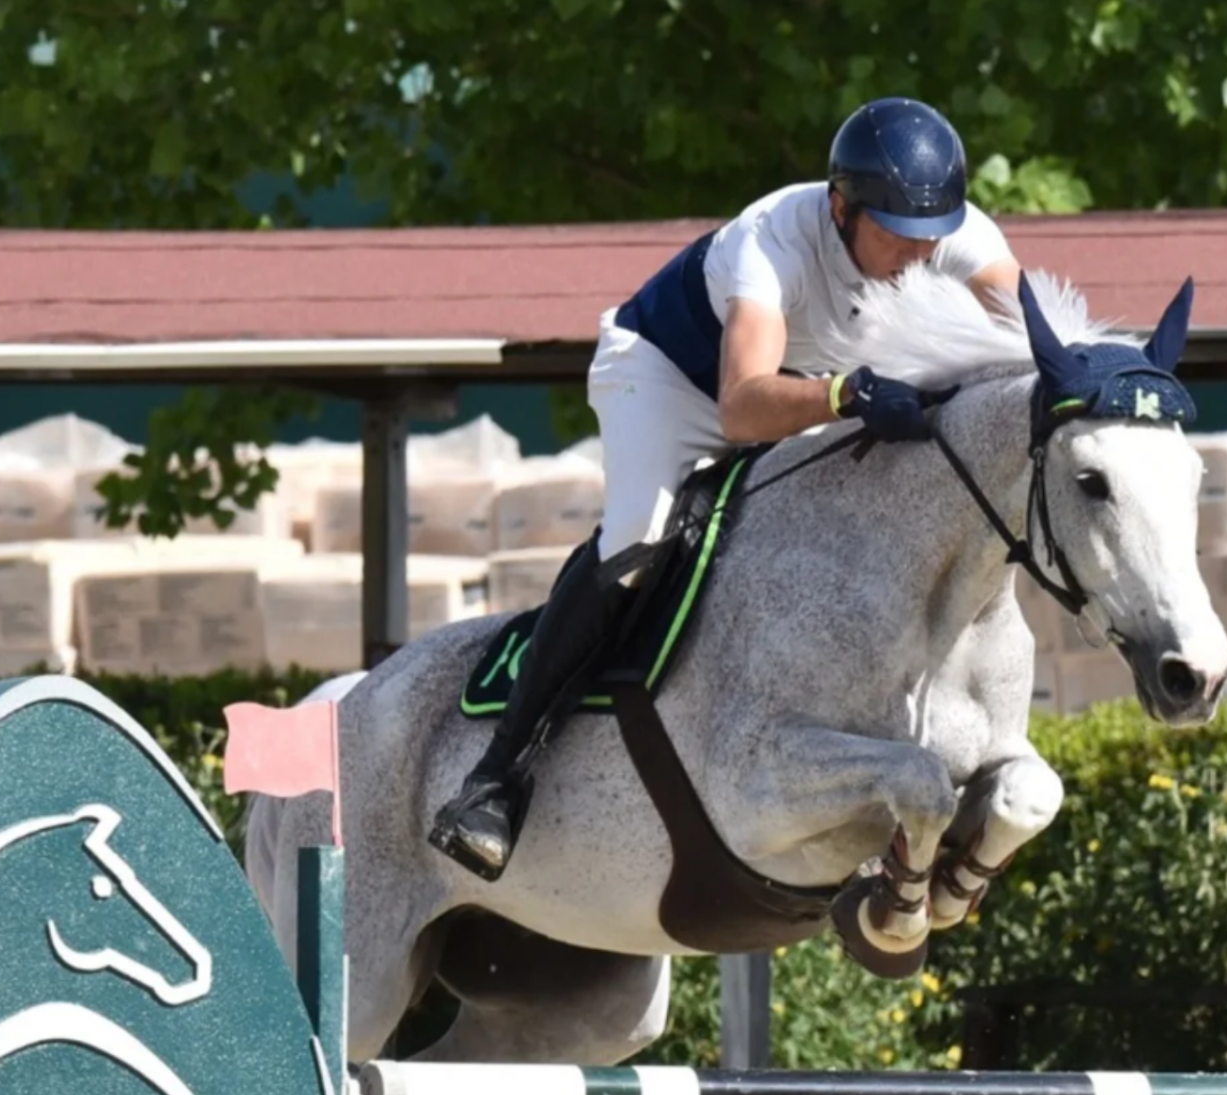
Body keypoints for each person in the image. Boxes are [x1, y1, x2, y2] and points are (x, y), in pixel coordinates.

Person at [427, 96, 1026, 879]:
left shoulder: (959, 237)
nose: (917, 256)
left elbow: (1036, 344)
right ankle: (496, 776)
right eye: (893, 234)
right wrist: (846, 395)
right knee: (639, 544)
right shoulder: (770, 240)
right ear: (840, 208)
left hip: (808, 385)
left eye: (930, 236)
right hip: (669, 381)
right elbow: (741, 407)